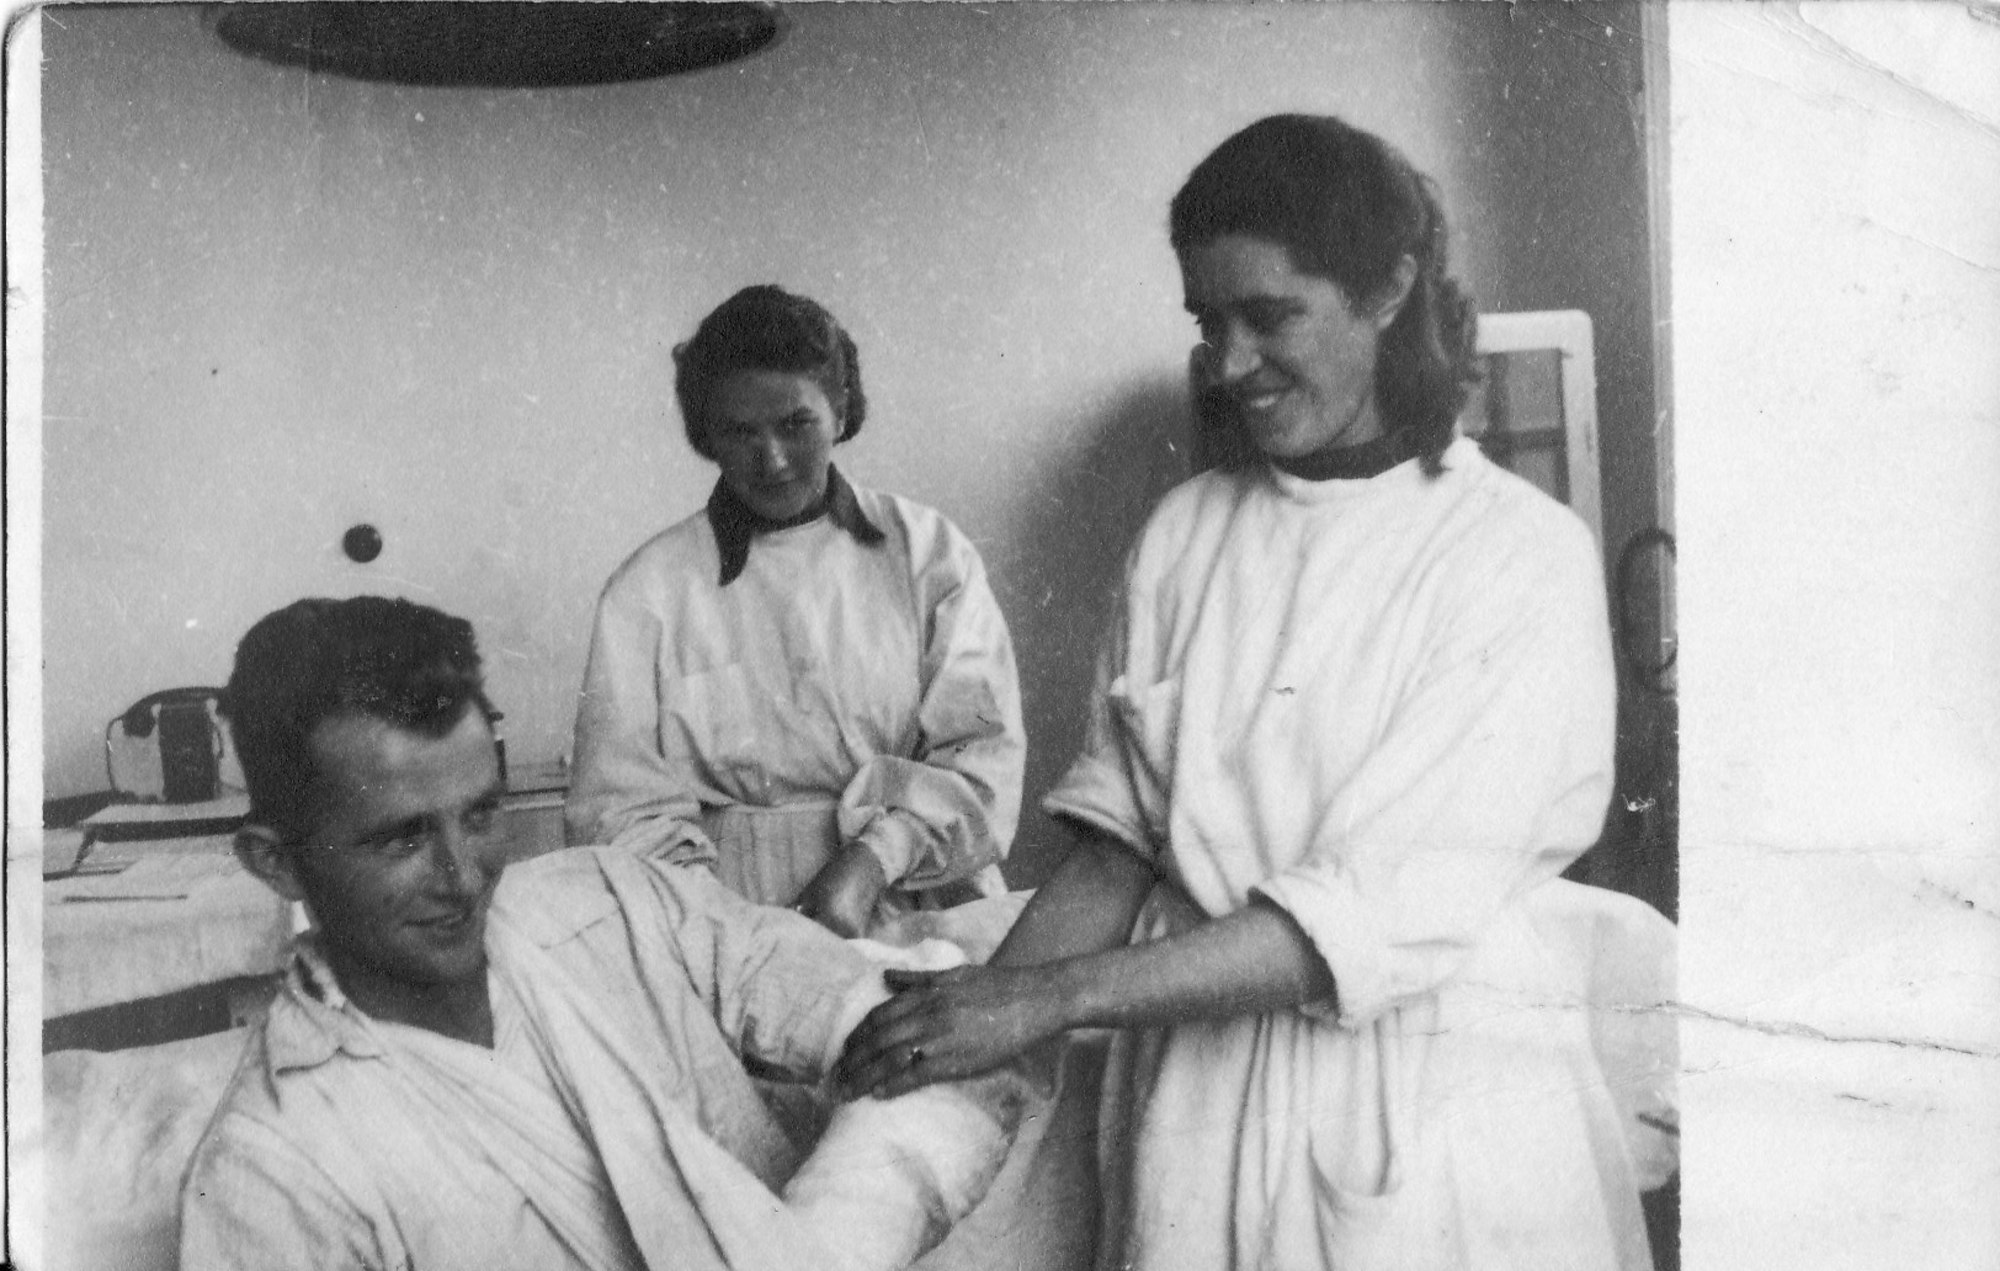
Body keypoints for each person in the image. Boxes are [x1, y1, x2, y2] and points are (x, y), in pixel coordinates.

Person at [838, 115, 1677, 1269]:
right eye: (1206, 322)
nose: (1228, 365)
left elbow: (1355, 920)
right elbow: (1114, 848)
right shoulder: (1185, 533)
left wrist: (1046, 1000)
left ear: (1388, 288)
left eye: (1269, 317)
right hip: (1194, 1103)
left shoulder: (1513, 555)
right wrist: (967, 1022)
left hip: (1427, 1106)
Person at [181, 596, 1025, 1271]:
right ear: (275, 861)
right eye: (402, 839)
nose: (464, 875)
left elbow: (937, 1046)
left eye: (481, 813)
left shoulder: (611, 903)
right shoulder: (273, 1176)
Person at [566, 285, 1025, 939]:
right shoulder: (647, 591)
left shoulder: (930, 555)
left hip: (917, 895)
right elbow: (618, 809)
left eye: (795, 423)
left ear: (840, 411)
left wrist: (871, 862)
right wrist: (732, 935)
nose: (772, 459)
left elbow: (983, 758)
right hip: (720, 918)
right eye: (740, 432)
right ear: (706, 435)